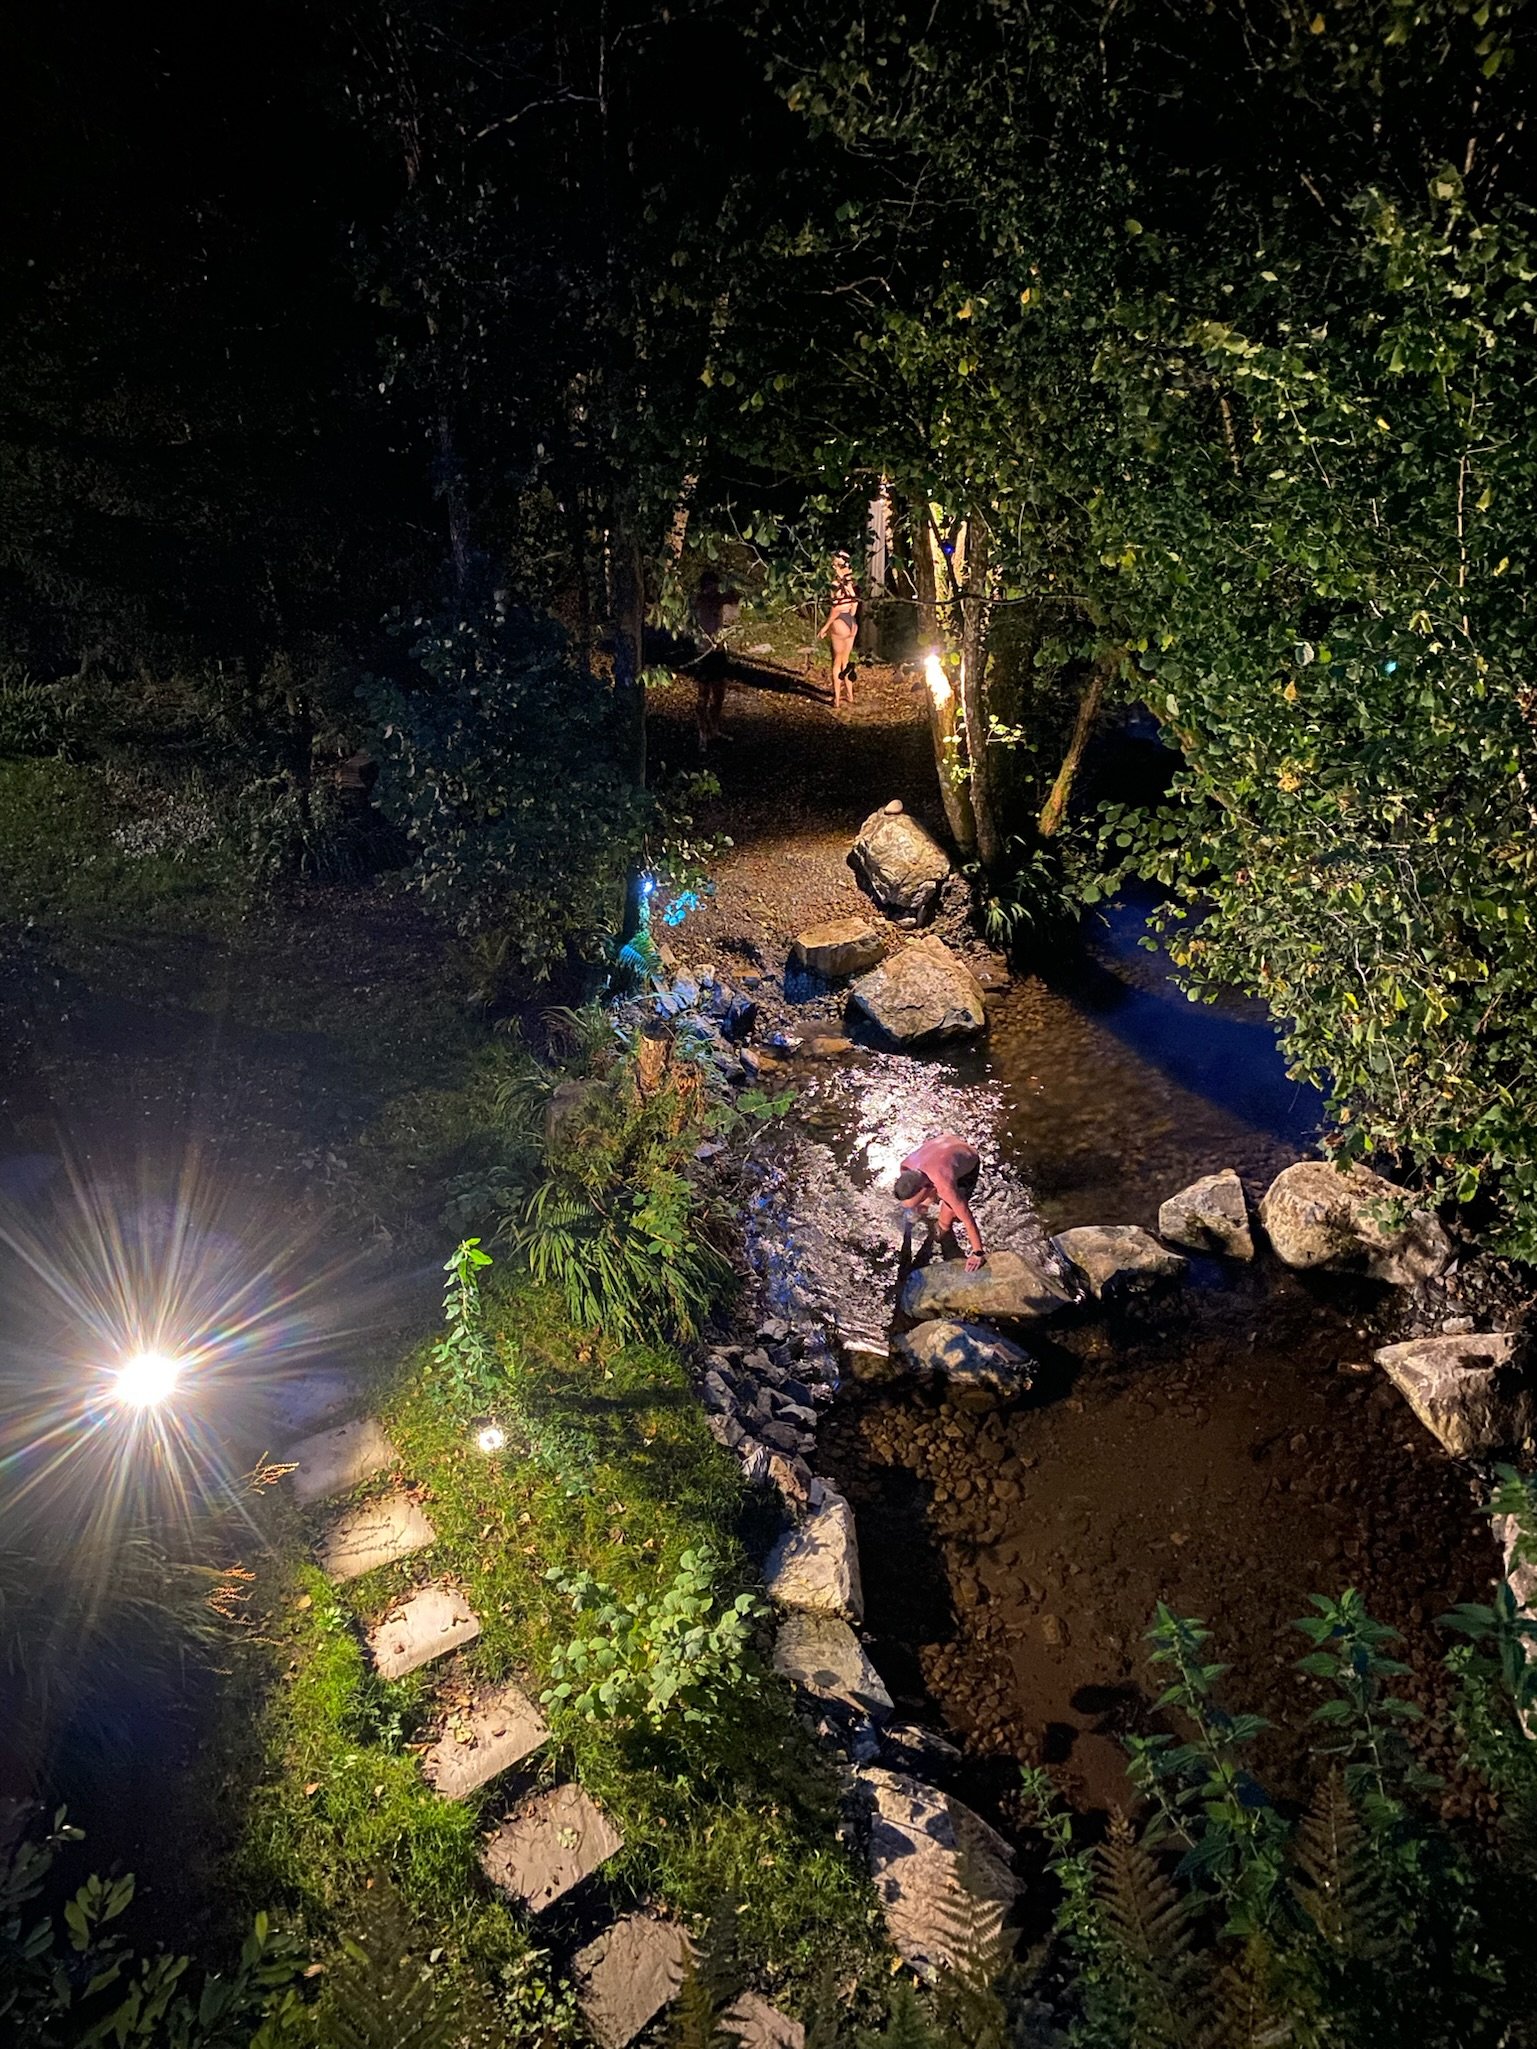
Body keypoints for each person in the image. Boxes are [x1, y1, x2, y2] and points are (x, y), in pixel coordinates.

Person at [894, 1134, 987, 1270]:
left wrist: (978, 1253)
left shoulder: (944, 1185)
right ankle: (927, 1202)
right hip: (945, 1142)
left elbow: (967, 1219)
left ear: (925, 1188)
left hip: (967, 1161)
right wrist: (923, 1202)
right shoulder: (905, 1165)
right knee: (917, 1202)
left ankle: (942, 1227)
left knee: (949, 1213)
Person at [691, 570, 740, 751]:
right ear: (705, 586)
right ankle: (703, 733)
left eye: (716, 586)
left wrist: (731, 582)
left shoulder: (718, 599)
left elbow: (734, 597)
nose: (714, 589)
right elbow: (716, 600)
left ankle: (714, 729)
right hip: (703, 653)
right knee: (703, 695)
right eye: (711, 585)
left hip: (718, 651)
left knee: (719, 694)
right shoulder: (701, 600)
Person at [817, 551, 860, 708]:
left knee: (836, 662)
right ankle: (850, 695)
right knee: (846, 661)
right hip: (851, 622)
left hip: (840, 621)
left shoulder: (835, 584)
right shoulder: (849, 584)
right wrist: (851, 616)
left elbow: (836, 608)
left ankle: (836, 699)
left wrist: (826, 626)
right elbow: (854, 604)